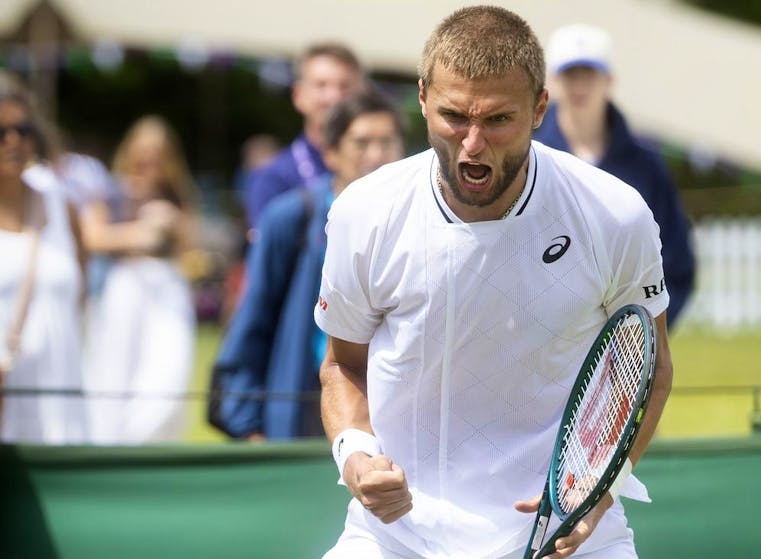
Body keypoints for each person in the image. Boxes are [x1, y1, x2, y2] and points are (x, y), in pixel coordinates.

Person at [314, 6, 673, 558]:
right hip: (394, 540)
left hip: (573, 536)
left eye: (498, 119)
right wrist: (355, 455)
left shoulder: (614, 213)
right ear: (422, 100)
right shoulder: (364, 212)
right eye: (454, 115)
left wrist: (595, 498)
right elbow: (343, 365)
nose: (473, 144)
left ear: (539, 109)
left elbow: (649, 370)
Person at [210, 90, 406, 441]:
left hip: (384, 421)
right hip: (300, 414)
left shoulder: (415, 222)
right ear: (331, 153)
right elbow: (253, 323)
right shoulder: (291, 218)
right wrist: (250, 428)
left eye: (387, 142)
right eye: (361, 143)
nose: (376, 156)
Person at [533, 24, 696, 328]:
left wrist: (646, 337)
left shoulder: (646, 165)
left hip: (629, 344)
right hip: (548, 349)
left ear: (608, 80)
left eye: (589, 74)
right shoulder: (529, 160)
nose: (579, 85)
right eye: (570, 74)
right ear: (552, 83)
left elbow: (675, 260)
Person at [84, 115, 199, 444]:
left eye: (158, 153)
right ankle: (113, 440)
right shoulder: (111, 190)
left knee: (170, 369)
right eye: (144, 152)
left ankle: (150, 439)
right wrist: (139, 233)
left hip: (168, 286)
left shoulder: (176, 193)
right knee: (115, 368)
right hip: (125, 284)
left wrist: (173, 225)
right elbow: (92, 237)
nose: (150, 161)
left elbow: (191, 248)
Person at [0, 71, 87, 444]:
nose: (13, 141)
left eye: (24, 129)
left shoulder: (59, 202)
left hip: (61, 404)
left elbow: (81, 289)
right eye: (0, 131)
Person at [243, 43, 366, 229]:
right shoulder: (274, 179)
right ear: (298, 95)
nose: (334, 97)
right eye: (321, 85)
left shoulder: (379, 171)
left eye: (345, 86)